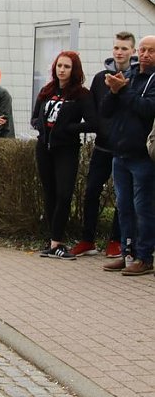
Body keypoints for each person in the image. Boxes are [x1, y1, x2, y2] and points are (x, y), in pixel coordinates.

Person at [70, 32, 135, 257]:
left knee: (121, 196)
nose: (119, 52)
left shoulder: (136, 77)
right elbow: (96, 111)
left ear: (132, 52)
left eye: (124, 48)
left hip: (124, 148)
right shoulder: (100, 78)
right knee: (91, 192)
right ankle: (87, 240)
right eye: (117, 47)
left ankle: (116, 240)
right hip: (102, 146)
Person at [31, 51, 97, 259]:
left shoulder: (81, 94)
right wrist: (41, 127)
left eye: (67, 66)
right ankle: (53, 241)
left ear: (74, 69)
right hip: (44, 147)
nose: (62, 70)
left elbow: (93, 122)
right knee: (49, 193)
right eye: (59, 66)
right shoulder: (47, 90)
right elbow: (34, 117)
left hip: (66, 149)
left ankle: (57, 241)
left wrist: (69, 128)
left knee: (64, 194)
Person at [101, 35, 155, 275]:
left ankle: (144, 257)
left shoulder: (153, 80)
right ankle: (127, 253)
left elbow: (147, 109)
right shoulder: (129, 75)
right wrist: (113, 92)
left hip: (143, 156)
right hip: (119, 152)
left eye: (151, 51)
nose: (145, 55)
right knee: (123, 207)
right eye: (142, 50)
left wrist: (123, 92)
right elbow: (106, 111)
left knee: (143, 208)